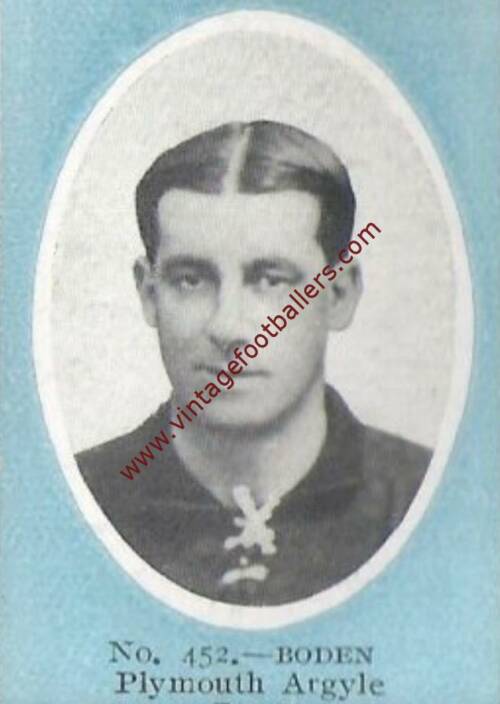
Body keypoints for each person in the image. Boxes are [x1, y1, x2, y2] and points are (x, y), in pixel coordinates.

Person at [76, 120, 431, 606]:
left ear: (339, 294)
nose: (229, 327)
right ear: (149, 293)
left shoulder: (424, 498)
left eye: (269, 279)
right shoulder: (78, 501)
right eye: (191, 279)